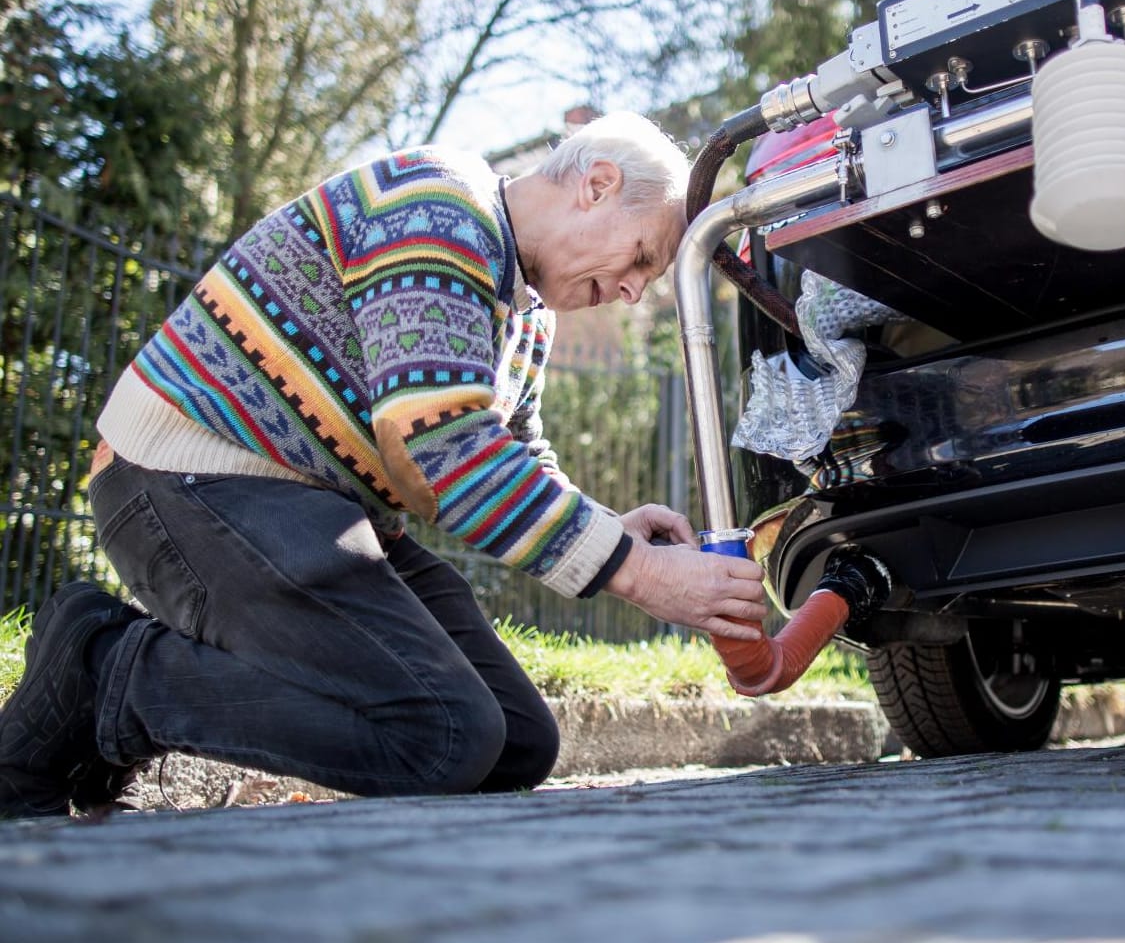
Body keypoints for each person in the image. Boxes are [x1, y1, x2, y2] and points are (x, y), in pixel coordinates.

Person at [0, 114, 768, 818]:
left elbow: (510, 448)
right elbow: (445, 451)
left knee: (515, 745)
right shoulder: (437, 207)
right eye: (641, 257)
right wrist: (638, 572)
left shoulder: (529, 311)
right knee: (441, 737)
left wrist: (609, 529)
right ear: (595, 186)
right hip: (188, 478)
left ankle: (115, 677)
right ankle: (108, 674)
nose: (636, 293)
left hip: (314, 508)